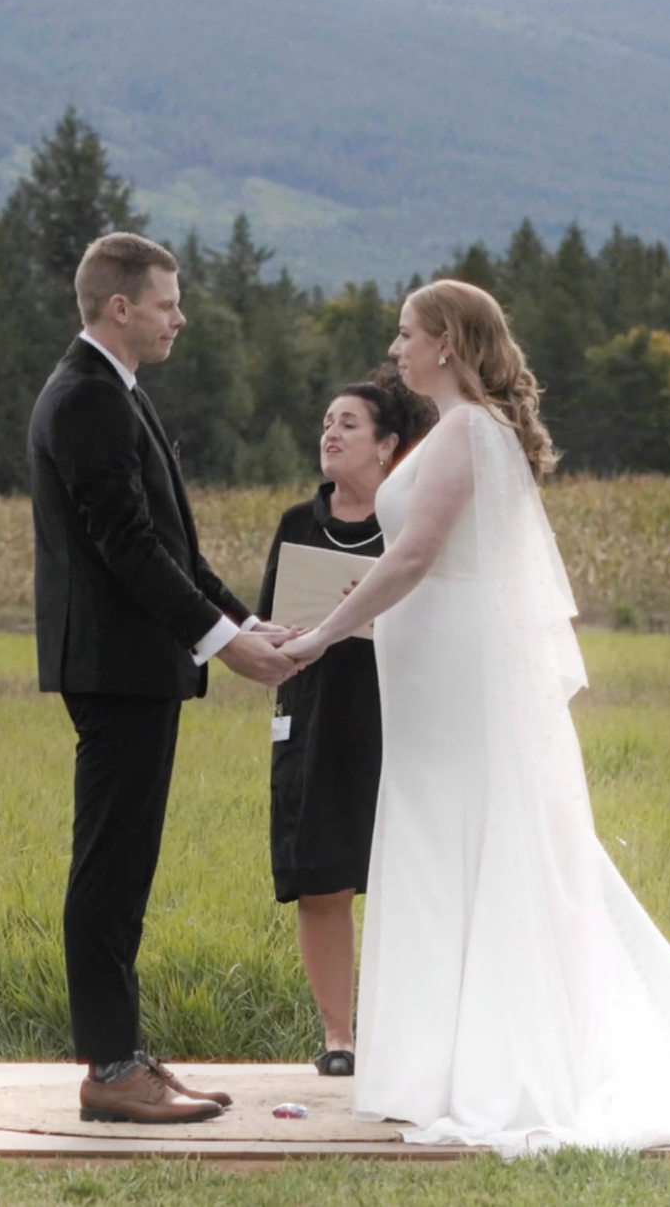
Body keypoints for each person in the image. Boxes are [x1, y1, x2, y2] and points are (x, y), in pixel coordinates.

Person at [279, 279, 670, 1159]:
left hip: (452, 671)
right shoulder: (461, 431)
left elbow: (415, 553)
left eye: (406, 334)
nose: (396, 350)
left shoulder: (467, 432)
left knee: (464, 835)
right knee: (441, 838)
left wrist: (323, 634)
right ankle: (435, 1063)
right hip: (432, 670)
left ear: (446, 343)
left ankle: (478, 1065)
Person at [28, 232, 299, 1126]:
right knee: (109, 871)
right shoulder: (86, 398)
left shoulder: (118, 390)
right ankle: (111, 1069)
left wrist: (244, 620)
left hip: (138, 666)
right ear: (120, 307)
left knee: (126, 866)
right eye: (167, 303)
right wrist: (223, 644)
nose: (179, 317)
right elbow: (128, 547)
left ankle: (124, 1054)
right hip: (117, 669)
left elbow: (173, 545)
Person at [256, 370, 436, 1077]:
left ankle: (413, 1032)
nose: (331, 433)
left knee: (411, 875)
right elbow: (269, 620)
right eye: (327, 422)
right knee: (320, 878)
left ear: (388, 445)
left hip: (397, 712)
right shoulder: (297, 524)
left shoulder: (413, 524)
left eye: (349, 424)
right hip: (316, 713)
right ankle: (340, 1037)